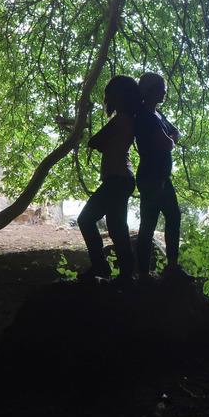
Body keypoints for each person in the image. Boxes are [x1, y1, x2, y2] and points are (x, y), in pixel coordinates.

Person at [77, 74, 141, 282]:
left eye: (110, 94)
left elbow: (95, 141)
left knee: (86, 219)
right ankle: (126, 274)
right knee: (116, 228)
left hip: (117, 179)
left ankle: (101, 266)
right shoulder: (129, 118)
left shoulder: (121, 119)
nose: (107, 99)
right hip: (122, 178)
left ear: (119, 96)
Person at [134, 72, 185, 279]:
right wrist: (170, 140)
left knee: (173, 217)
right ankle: (144, 273)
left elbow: (176, 133)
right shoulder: (145, 116)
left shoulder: (158, 115)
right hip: (151, 177)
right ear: (150, 90)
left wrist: (170, 139)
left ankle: (171, 267)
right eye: (161, 88)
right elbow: (168, 143)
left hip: (162, 177)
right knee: (149, 224)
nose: (165, 92)